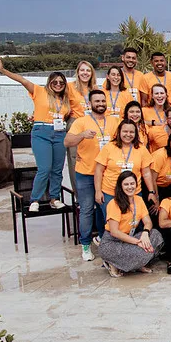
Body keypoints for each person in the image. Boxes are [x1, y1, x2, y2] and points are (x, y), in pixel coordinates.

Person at [0, 56, 74, 212]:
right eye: (54, 82)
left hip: (59, 134)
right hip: (41, 132)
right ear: (49, 83)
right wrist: (2, 70)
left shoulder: (66, 99)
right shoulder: (39, 91)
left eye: (61, 83)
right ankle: (35, 199)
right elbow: (21, 80)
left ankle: (54, 198)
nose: (58, 85)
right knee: (44, 168)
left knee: (57, 169)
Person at [65, 90, 119, 260]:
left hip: (107, 174)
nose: (101, 103)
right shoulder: (81, 122)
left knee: (107, 209)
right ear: (90, 104)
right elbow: (67, 142)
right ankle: (86, 245)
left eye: (103, 100)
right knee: (87, 209)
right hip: (86, 173)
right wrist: (82, 136)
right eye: (97, 101)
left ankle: (104, 239)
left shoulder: (114, 121)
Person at [99, 171, 164, 277]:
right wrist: (137, 242)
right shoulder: (114, 203)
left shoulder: (138, 200)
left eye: (132, 184)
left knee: (156, 235)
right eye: (126, 184)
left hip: (130, 238)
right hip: (112, 243)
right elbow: (114, 232)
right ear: (120, 186)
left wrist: (145, 234)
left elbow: (148, 222)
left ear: (136, 185)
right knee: (142, 251)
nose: (130, 187)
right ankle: (113, 263)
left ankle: (134, 264)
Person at [94, 120, 156, 227]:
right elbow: (99, 170)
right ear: (119, 132)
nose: (128, 135)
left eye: (131, 132)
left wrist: (151, 191)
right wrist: (98, 191)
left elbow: (146, 173)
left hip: (133, 193)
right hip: (110, 193)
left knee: (134, 224)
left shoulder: (141, 149)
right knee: (112, 225)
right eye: (125, 131)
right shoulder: (109, 147)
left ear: (136, 133)